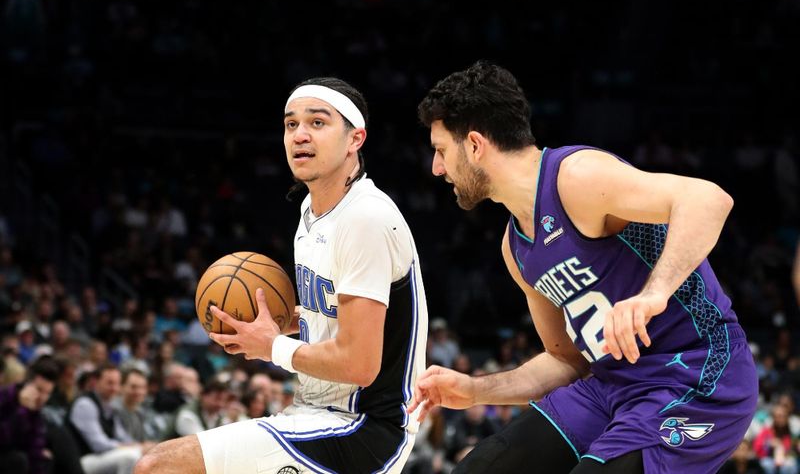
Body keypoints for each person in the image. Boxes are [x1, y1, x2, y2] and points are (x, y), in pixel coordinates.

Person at [410, 61, 758, 473]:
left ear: (474, 145)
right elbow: (567, 362)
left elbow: (708, 200)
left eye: (441, 150)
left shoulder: (576, 177)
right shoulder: (515, 248)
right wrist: (474, 389)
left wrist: (652, 294)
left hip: (699, 372)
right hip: (610, 387)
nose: (436, 168)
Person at [136, 77, 428, 473]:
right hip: (315, 413)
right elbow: (331, 315)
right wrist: (271, 323)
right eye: (291, 124)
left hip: (363, 428)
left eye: (318, 123)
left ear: (355, 138)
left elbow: (360, 363)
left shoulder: (366, 217)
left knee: (160, 466)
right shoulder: (311, 211)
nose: (300, 135)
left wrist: (272, 346)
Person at [0, 355, 60, 474]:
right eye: (39, 390)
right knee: (18, 460)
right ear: (26, 384)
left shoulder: (36, 410)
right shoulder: (6, 397)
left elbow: (35, 445)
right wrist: (22, 410)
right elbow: (3, 440)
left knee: (45, 457)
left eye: (48, 393)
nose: (43, 398)